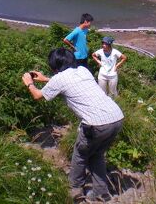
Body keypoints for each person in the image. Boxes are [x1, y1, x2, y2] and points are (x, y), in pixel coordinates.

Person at [23, 48, 124, 202]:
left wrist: (30, 83)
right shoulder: (83, 70)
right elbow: (69, 84)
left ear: (53, 65)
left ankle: (75, 190)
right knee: (96, 154)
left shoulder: (59, 79)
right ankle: (101, 193)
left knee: (80, 155)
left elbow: (38, 95)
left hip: (95, 124)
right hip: (116, 118)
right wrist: (45, 79)